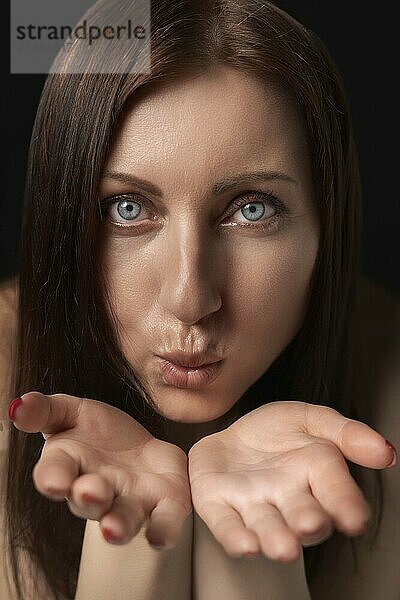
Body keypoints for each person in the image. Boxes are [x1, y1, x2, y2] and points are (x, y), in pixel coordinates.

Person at [0, 0, 399, 598]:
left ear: (326, 226)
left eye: (252, 209)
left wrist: (257, 555)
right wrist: (127, 537)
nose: (191, 300)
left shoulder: (389, 384)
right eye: (128, 208)